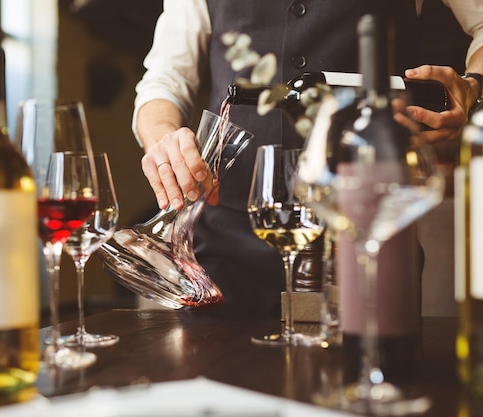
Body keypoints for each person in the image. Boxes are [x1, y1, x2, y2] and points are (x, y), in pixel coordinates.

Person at [132, 0, 483, 314]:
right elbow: (165, 78)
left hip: (366, 232)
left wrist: (474, 84)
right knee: (216, 378)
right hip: (221, 247)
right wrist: (163, 137)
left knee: (370, 372)